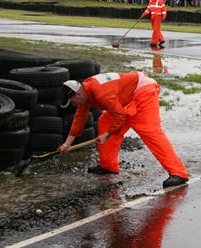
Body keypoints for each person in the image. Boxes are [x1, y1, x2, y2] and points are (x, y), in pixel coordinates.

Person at [58, 72, 189, 188]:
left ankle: (178, 173)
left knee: (149, 130)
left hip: (143, 91)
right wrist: (67, 143)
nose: (74, 104)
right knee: (105, 122)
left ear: (78, 93)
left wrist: (108, 134)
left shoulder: (101, 93)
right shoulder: (86, 92)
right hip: (124, 99)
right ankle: (108, 165)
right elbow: (79, 118)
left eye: (72, 101)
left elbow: (120, 116)